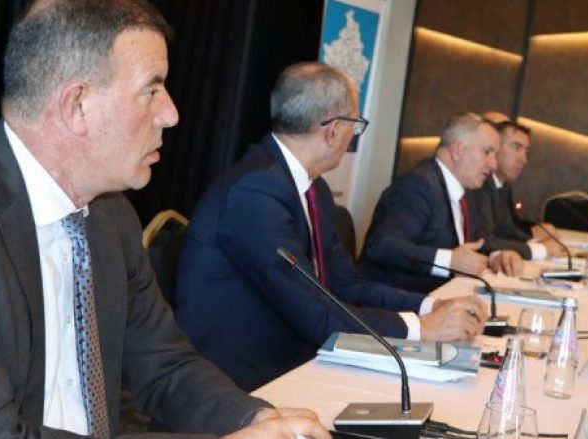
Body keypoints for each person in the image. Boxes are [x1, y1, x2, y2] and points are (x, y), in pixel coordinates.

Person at [0, 1, 329, 437]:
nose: (171, 114)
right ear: (77, 105)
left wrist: (255, 419)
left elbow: (166, 366)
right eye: (151, 90)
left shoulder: (111, 214)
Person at [173, 62, 488, 392]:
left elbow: (347, 285)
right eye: (356, 125)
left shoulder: (314, 190)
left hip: (297, 359)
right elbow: (314, 311)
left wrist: (428, 306)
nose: (353, 136)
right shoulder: (254, 193)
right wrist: (421, 328)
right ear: (334, 130)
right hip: (241, 381)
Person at [359, 112, 523, 294]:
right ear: (457, 150)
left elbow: (473, 241)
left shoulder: (466, 191)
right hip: (396, 301)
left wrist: (496, 256)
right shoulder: (418, 185)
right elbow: (382, 246)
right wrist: (450, 261)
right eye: (487, 152)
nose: (493, 164)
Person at [472, 110, 564, 260]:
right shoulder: (479, 184)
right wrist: (540, 249)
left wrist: (534, 242)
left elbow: (508, 230)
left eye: (526, 151)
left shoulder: (503, 186)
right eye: (516, 147)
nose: (523, 159)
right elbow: (484, 242)